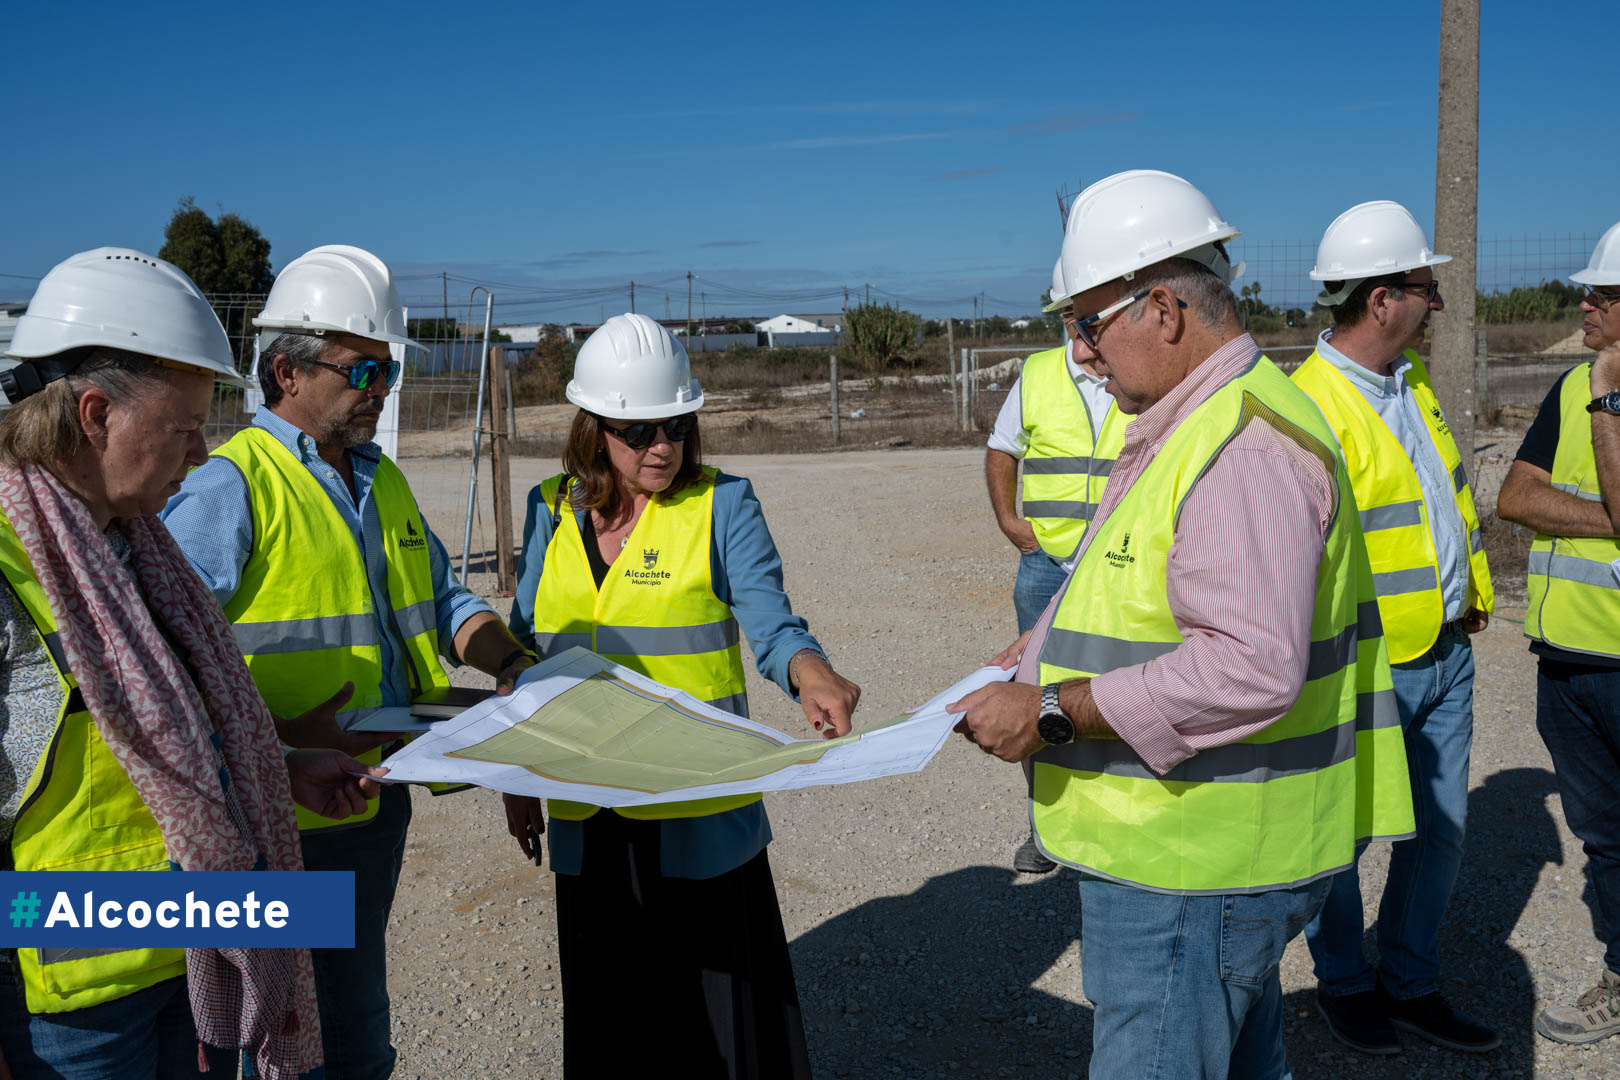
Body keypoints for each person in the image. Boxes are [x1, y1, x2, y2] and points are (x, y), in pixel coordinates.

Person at [947, 170, 1415, 1079]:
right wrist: (1040, 645)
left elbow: (1248, 668)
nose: (1080, 355)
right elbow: (1144, 584)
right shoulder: (1193, 420)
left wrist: (1050, 710)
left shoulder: (1238, 445)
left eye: (1087, 325)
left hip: (1197, 864)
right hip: (1199, 856)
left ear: (1162, 310)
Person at [0, 248, 381, 1080]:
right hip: (74, 1011)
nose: (203, 453)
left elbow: (168, 736)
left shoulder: (138, 551)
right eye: (183, 429)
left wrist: (278, 767)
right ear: (95, 414)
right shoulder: (12, 561)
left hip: (192, 953)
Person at [162, 244, 538, 1080]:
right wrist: (279, 742)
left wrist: (512, 662)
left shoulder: (379, 480)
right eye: (361, 371)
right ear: (287, 373)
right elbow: (163, 659)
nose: (382, 389)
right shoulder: (232, 487)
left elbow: (444, 600)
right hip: (277, 819)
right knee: (305, 1040)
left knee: (348, 1021)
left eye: (388, 369)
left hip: (368, 802)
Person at [502, 312, 861, 1079]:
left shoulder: (722, 505)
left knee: (720, 1032)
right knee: (612, 1019)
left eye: (678, 426)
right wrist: (516, 774)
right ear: (595, 429)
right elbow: (522, 653)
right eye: (639, 431)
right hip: (587, 806)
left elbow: (772, 623)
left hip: (696, 806)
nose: (662, 446)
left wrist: (810, 669)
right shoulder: (547, 510)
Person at [1289, 200, 1498, 1055]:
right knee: (1343, 834)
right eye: (1425, 288)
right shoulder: (1308, 406)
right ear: (1381, 301)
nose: (1436, 302)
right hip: (1368, 664)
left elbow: (1438, 502)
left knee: (1440, 831)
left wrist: (1468, 588)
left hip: (1445, 648)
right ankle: (1344, 983)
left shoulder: (1410, 382)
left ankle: (1409, 982)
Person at [1498, 220, 1620, 1045]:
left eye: (1603, 294)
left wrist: (1610, 397)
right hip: (1569, 662)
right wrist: (1609, 518)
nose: (1585, 305)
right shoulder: (1571, 384)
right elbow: (1515, 496)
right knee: (1605, 838)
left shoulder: (1595, 389)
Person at [985, 257, 1126, 875]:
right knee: (1033, 694)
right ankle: (1044, 825)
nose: (1084, 333)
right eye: (1075, 320)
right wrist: (1009, 521)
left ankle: (1111, 819)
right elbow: (1002, 449)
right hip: (1046, 564)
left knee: (1114, 689)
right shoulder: (1038, 373)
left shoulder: (1138, 372)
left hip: (1117, 567)